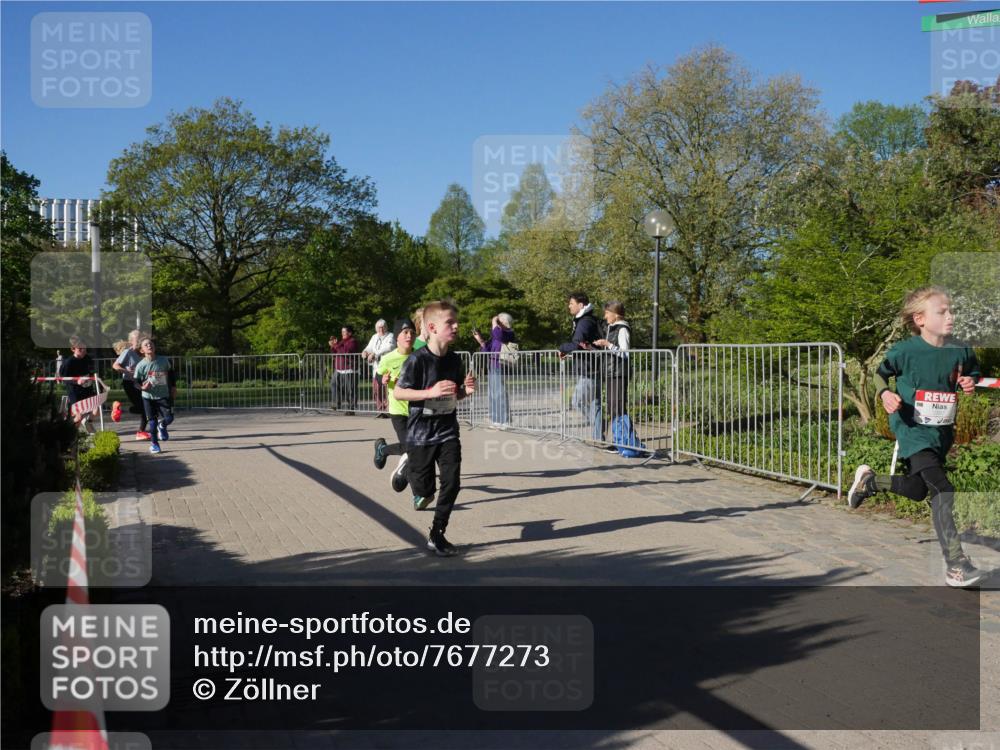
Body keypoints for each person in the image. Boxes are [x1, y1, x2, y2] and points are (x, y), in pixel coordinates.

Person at [846, 286, 984, 588]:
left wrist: (969, 382)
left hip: (941, 432)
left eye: (951, 310)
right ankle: (956, 565)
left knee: (919, 490)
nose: (950, 316)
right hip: (910, 427)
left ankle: (871, 482)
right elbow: (881, 374)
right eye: (942, 311)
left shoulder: (960, 349)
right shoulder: (905, 351)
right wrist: (884, 394)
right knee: (942, 488)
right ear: (919, 319)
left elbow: (973, 372)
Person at [394, 301, 477, 556]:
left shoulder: (455, 360)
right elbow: (398, 392)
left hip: (448, 431)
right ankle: (408, 467)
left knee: (452, 483)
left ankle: (437, 533)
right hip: (420, 434)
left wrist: (466, 392)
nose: (456, 326)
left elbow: (453, 395)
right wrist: (429, 392)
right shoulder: (417, 360)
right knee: (425, 492)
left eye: (456, 322)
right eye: (449, 323)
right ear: (432, 327)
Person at [373, 318, 417, 492]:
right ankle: (415, 489)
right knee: (410, 447)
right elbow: (378, 375)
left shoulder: (419, 356)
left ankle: (383, 449)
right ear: (397, 337)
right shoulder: (389, 358)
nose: (409, 336)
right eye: (405, 332)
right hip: (398, 410)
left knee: (417, 447)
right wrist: (382, 379)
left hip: (416, 409)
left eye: (412, 333)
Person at [557, 292, 604, 441]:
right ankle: (598, 437)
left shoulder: (584, 322)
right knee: (594, 403)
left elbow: (577, 344)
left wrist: (562, 347)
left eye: (571, 303)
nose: (569, 306)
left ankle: (599, 425)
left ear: (581, 305)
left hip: (589, 369)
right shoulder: (587, 320)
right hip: (592, 367)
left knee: (577, 401)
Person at [593, 301, 632, 453]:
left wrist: (608, 345)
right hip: (611, 372)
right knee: (612, 407)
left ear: (616, 314)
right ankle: (619, 441)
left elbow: (625, 353)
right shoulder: (612, 328)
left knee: (618, 407)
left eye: (607, 313)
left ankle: (623, 441)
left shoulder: (622, 329)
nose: (605, 316)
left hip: (619, 372)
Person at [472, 313, 516, 427]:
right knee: (493, 393)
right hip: (493, 365)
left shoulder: (508, 333)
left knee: (500, 393)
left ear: (504, 323)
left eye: (499, 322)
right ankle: (495, 419)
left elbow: (498, 335)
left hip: (501, 365)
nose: (497, 323)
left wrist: (493, 321)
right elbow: (487, 350)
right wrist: (480, 340)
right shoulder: (497, 335)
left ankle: (505, 420)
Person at [134, 336, 175, 455]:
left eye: (151, 343)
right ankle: (155, 444)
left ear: (154, 347)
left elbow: (171, 373)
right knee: (152, 422)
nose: (149, 346)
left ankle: (162, 425)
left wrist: (173, 387)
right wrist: (142, 387)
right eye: (146, 345)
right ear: (142, 350)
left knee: (170, 418)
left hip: (163, 395)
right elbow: (135, 382)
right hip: (148, 397)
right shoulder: (141, 365)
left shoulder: (163, 360)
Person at [112, 329, 152, 440]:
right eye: (137, 338)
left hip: (140, 383)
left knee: (146, 406)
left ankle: (140, 431)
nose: (140, 340)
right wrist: (126, 371)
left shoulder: (143, 353)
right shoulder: (128, 352)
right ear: (131, 341)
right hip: (129, 383)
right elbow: (115, 365)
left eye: (141, 338)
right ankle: (140, 431)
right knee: (144, 407)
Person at [59, 335, 96, 431]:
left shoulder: (88, 359)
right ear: (73, 349)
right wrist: (77, 381)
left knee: (96, 410)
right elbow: (63, 378)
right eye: (80, 349)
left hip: (88, 389)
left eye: (85, 349)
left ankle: (87, 421)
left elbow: (92, 372)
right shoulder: (68, 363)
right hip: (75, 391)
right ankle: (70, 432)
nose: (83, 351)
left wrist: (92, 378)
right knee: (78, 417)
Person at [362, 319, 395, 417]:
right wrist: (365, 352)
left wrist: (375, 354)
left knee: (386, 389)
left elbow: (389, 347)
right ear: (376, 328)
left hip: (387, 367)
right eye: (379, 327)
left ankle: (388, 410)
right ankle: (380, 410)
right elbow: (369, 347)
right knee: (377, 390)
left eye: (383, 327)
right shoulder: (374, 336)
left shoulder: (390, 335)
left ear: (386, 327)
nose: (381, 329)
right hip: (376, 367)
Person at [329, 327, 360, 415]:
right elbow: (335, 353)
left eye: (344, 332)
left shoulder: (352, 341)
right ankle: (336, 404)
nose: (342, 333)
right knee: (334, 384)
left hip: (349, 369)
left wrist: (336, 345)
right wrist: (332, 346)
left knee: (350, 390)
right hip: (338, 369)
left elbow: (346, 352)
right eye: (342, 331)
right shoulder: (341, 342)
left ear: (350, 333)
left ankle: (351, 409)